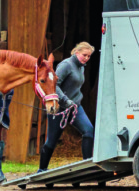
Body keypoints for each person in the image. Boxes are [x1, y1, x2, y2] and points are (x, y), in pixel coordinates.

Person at [38, 42, 96, 171]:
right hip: (59, 107)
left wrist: (73, 102)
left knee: (89, 132)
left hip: (75, 107)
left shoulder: (81, 67)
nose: (86, 58)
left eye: (89, 56)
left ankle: (87, 166)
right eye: (84, 55)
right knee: (51, 141)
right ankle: (42, 169)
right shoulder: (66, 65)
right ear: (76, 53)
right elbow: (54, 85)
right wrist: (65, 100)